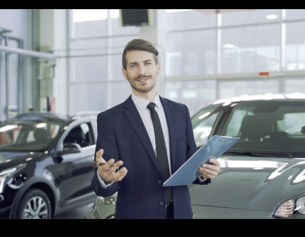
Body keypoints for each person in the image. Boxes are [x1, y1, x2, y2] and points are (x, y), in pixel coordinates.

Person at [91, 38, 220, 219]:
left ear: (158, 67)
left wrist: (204, 172)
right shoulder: (110, 119)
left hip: (180, 213)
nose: (142, 71)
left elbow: (190, 162)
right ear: (124, 72)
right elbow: (105, 184)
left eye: (147, 63)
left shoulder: (180, 111)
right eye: (133, 65)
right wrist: (104, 178)